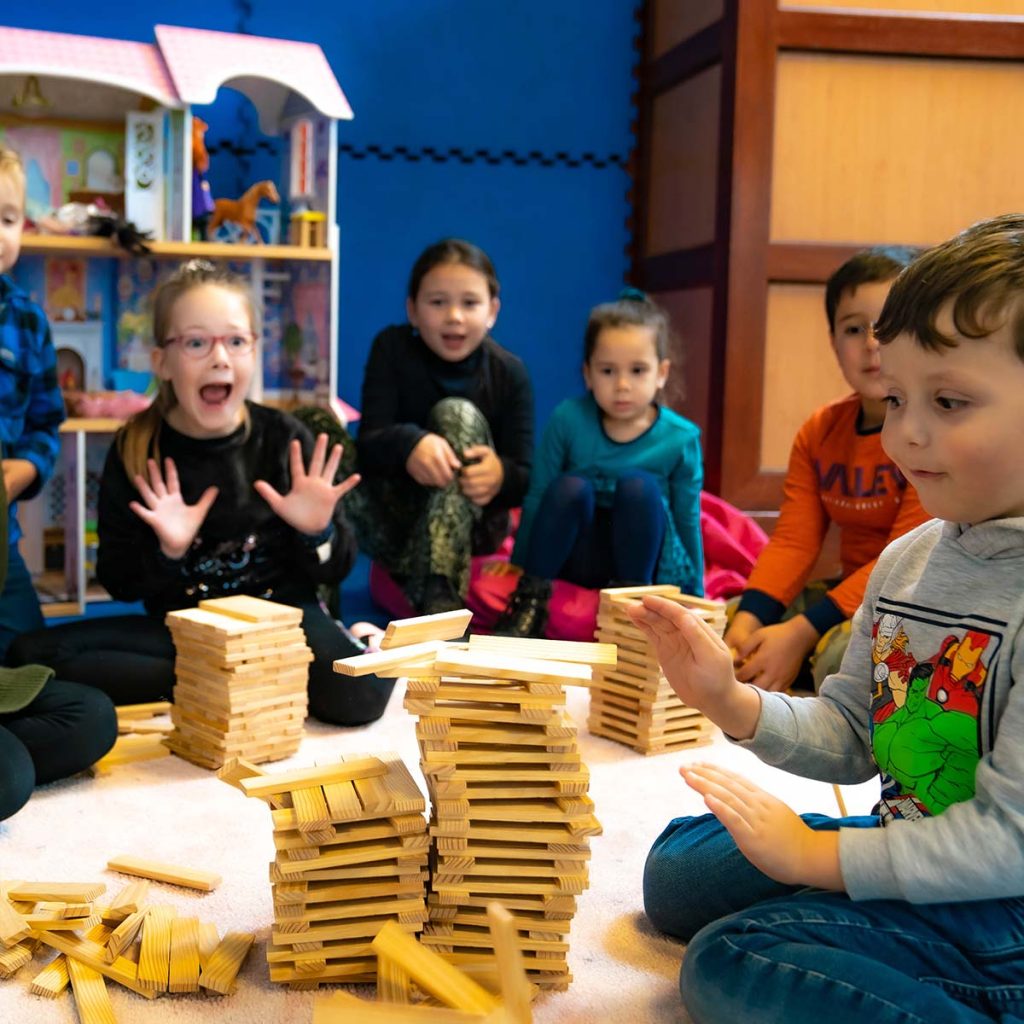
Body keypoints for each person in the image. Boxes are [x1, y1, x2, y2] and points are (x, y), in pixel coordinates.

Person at [630, 213, 1024, 1024]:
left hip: (1001, 916)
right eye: (898, 398)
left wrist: (816, 856)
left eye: (949, 401)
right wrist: (733, 702)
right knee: (677, 871)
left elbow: (1006, 840)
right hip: (909, 845)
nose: (907, 433)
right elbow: (852, 730)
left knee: (732, 960)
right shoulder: (908, 560)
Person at [8, 259, 393, 726]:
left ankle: (353, 642)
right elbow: (120, 581)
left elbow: (336, 566)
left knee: (358, 697)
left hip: (283, 622)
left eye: (236, 341)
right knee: (29, 659)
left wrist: (317, 532)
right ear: (162, 362)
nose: (220, 358)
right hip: (185, 630)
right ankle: (242, 680)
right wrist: (168, 552)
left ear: (254, 352)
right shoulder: (136, 448)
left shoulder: (284, 440)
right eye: (195, 342)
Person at [724, 246, 929, 692]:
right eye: (854, 329)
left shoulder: (928, 431)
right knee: (733, 618)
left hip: (911, 600)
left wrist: (801, 634)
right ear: (833, 341)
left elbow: (902, 562)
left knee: (838, 659)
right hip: (849, 592)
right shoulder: (820, 431)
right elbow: (794, 542)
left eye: (888, 324)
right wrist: (747, 623)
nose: (872, 343)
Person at [0, 145, 116, 820]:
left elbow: (46, 422)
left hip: (4, 550)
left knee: (55, 682)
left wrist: (24, 470)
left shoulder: (27, 319)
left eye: (7, 218)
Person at [493, 289, 702, 638]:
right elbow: (539, 494)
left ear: (661, 373)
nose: (622, 385)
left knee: (638, 487)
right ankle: (531, 602)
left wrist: (696, 591)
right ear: (588, 374)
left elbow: (686, 516)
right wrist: (519, 562)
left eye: (638, 370)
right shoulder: (568, 419)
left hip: (640, 559)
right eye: (608, 371)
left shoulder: (680, 438)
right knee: (570, 487)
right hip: (579, 555)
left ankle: (631, 607)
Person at [349, 238, 533, 615]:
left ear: (492, 311)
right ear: (412, 310)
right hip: (400, 524)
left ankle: (440, 589)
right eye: (437, 302)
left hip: (473, 532)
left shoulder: (509, 373)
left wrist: (500, 475)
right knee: (319, 433)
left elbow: (526, 476)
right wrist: (410, 444)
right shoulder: (391, 348)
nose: (454, 316)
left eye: (469, 303)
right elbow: (368, 443)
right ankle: (318, 591)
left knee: (456, 414)